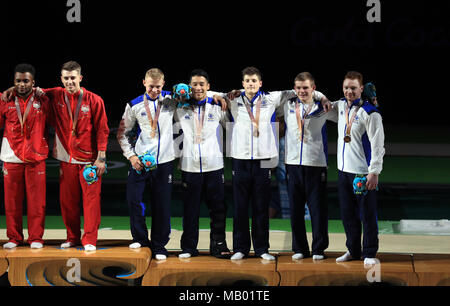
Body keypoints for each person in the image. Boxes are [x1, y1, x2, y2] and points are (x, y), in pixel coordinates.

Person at [13, 61, 109, 252]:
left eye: (73, 78)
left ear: (80, 78)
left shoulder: (94, 100)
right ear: (61, 79)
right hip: (66, 159)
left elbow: (103, 130)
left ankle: (89, 239)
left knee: (91, 203)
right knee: (68, 203)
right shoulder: (55, 94)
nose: (70, 82)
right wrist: (10, 90)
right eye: (66, 78)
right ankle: (72, 237)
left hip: (89, 161)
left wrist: (101, 158)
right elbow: (29, 88)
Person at [116, 68, 175, 260]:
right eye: (151, 87)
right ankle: (140, 239)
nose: (155, 90)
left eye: (158, 87)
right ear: (144, 83)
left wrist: (222, 96)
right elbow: (122, 134)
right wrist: (132, 157)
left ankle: (159, 246)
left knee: (162, 205)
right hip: (140, 161)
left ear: (163, 84)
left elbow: (198, 95)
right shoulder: (134, 105)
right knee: (134, 200)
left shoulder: (172, 100)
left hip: (164, 162)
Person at [174, 69, 231, 259]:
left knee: (218, 208)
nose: (198, 87)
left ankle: (219, 245)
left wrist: (218, 95)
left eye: (201, 84)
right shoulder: (180, 106)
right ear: (189, 87)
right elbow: (163, 94)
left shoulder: (217, 105)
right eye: (194, 84)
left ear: (208, 86)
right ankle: (189, 247)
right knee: (190, 209)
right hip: (190, 166)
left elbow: (234, 99)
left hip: (214, 165)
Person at [280, 72, 336, 261]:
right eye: (299, 88)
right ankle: (299, 248)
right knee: (295, 209)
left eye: (306, 87)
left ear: (313, 88)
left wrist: (323, 97)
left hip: (315, 164)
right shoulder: (287, 105)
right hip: (293, 164)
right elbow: (272, 96)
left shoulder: (323, 107)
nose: (302, 91)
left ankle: (319, 248)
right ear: (294, 89)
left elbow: (343, 112)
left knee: (317, 209)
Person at [331, 71, 385, 266]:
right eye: (346, 87)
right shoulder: (340, 107)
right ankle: (353, 250)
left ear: (361, 89)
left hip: (362, 172)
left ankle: (369, 251)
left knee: (367, 213)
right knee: (348, 214)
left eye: (353, 88)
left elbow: (378, 145)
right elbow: (321, 105)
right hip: (343, 171)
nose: (349, 91)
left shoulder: (370, 113)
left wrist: (374, 172)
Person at [0, 63, 50, 249]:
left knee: (37, 202)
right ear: (13, 82)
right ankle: (14, 238)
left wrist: (40, 91)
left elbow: (60, 93)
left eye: (26, 81)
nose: (21, 85)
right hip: (11, 157)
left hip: (36, 158)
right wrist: (8, 91)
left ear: (33, 82)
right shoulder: (4, 99)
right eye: (18, 81)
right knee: (11, 202)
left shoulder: (43, 99)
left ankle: (36, 238)